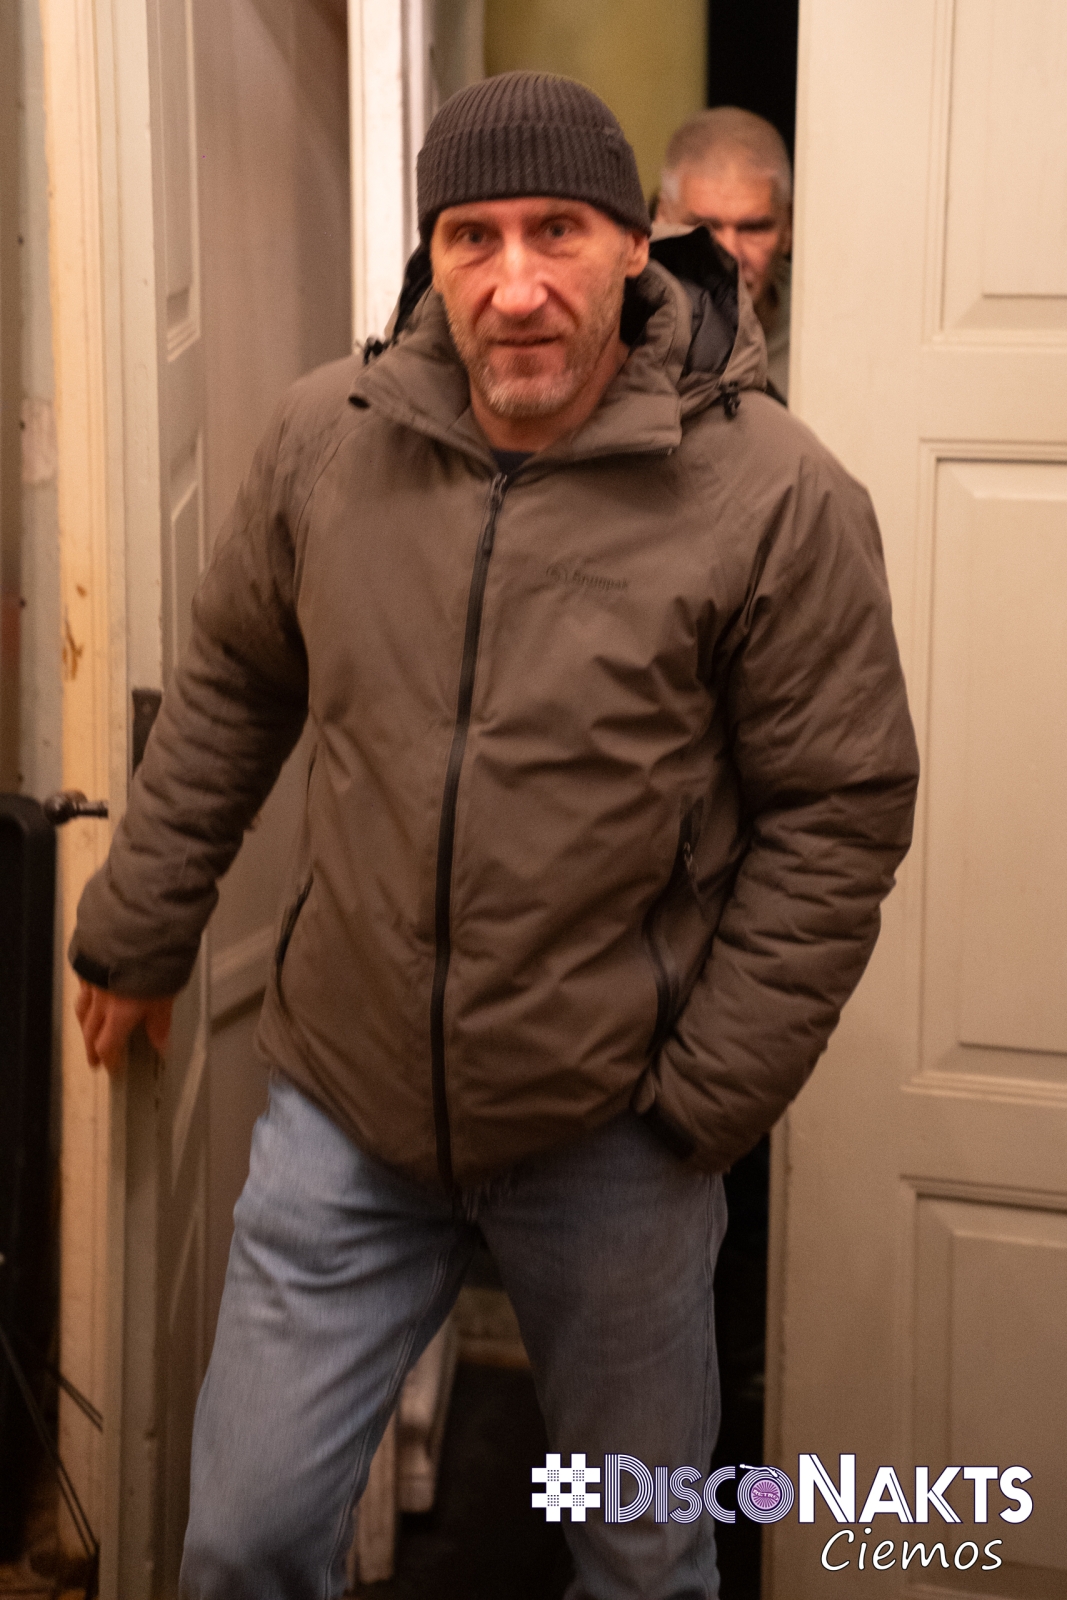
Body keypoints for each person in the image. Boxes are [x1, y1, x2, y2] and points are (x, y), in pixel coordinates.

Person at [72, 71, 918, 1600]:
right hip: (345, 1109)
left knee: (644, 1563)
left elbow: (838, 805)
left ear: (633, 246)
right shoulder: (322, 443)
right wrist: (139, 929)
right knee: (241, 1545)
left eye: (555, 232)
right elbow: (232, 690)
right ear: (432, 255)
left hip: (613, 1132)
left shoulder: (773, 494)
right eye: (472, 237)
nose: (514, 285)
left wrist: (700, 1099)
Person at [657, 106, 793, 400]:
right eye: (704, 228)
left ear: (789, 228)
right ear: (662, 220)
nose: (730, 253)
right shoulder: (619, 335)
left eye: (754, 228)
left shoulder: (826, 335)